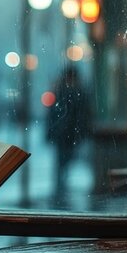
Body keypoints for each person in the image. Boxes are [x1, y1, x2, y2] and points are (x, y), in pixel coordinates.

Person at [46, 66, 91, 208]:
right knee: (65, 158)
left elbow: (52, 114)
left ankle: (60, 184)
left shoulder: (60, 90)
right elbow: (84, 114)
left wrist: (50, 132)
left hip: (63, 133)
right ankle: (62, 183)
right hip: (69, 133)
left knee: (61, 160)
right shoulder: (79, 92)